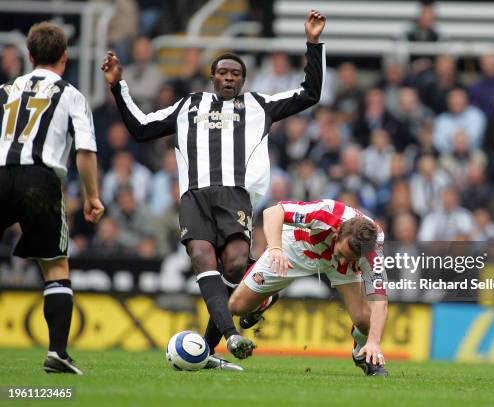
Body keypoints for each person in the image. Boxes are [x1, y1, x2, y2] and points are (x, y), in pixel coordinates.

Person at [101, 10, 327, 370]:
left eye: (235, 74)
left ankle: (242, 314)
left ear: (243, 80)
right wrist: (118, 86)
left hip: (235, 196)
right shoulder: (188, 104)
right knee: (203, 259)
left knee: (236, 266)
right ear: (212, 77)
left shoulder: (259, 105)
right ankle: (230, 335)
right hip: (194, 196)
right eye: (223, 72)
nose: (229, 77)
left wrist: (313, 43)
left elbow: (310, 93)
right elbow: (141, 128)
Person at [0, 22, 104, 374]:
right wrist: (92, 196)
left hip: (1, 172)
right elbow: (86, 151)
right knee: (55, 266)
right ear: (65, 56)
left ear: (29, 56)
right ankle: (57, 352)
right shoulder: (71, 94)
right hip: (40, 180)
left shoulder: (9, 88)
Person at [228, 199, 389, 377]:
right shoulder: (327, 212)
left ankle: (363, 354)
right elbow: (272, 212)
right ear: (337, 233)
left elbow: (380, 301)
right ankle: (263, 302)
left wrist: (374, 341)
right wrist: (275, 248)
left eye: (350, 257)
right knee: (237, 306)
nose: (343, 260)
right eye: (343, 253)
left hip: (340, 268)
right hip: (296, 247)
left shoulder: (372, 247)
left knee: (366, 320)